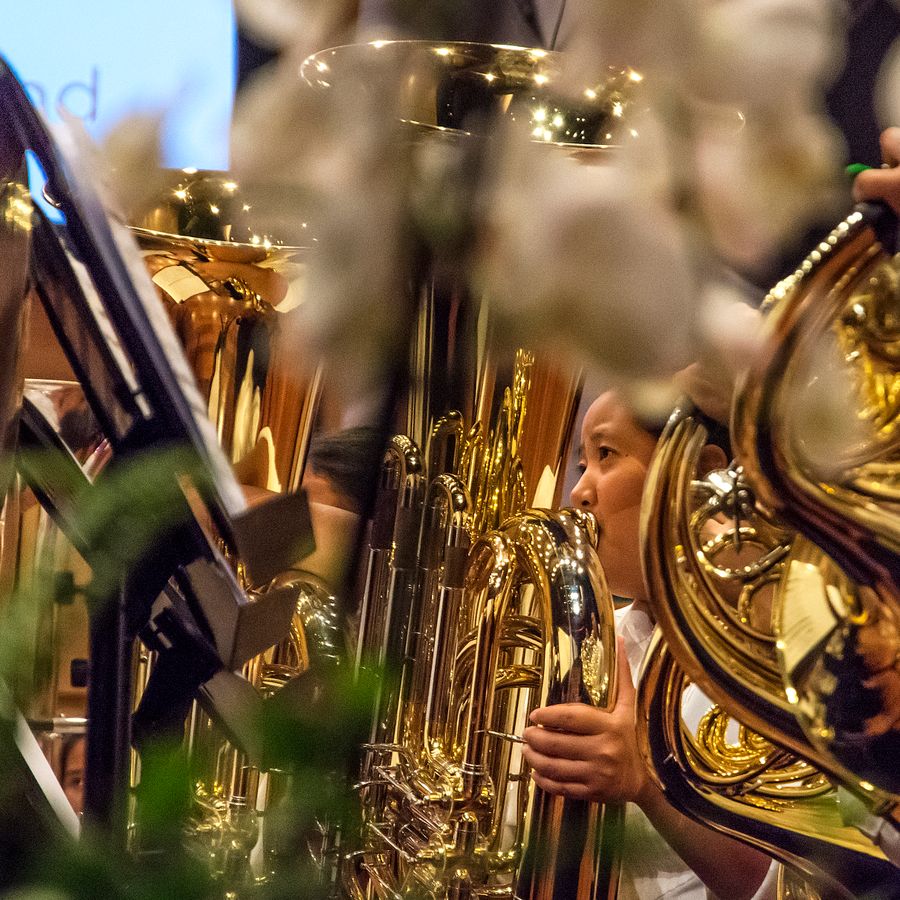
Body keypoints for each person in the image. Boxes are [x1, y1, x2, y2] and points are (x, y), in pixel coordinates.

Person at [522, 390, 774, 900]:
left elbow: (791, 883)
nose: (578, 492)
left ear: (698, 474)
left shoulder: (775, 649)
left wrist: (646, 782)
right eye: (581, 464)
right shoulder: (591, 637)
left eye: (606, 454)